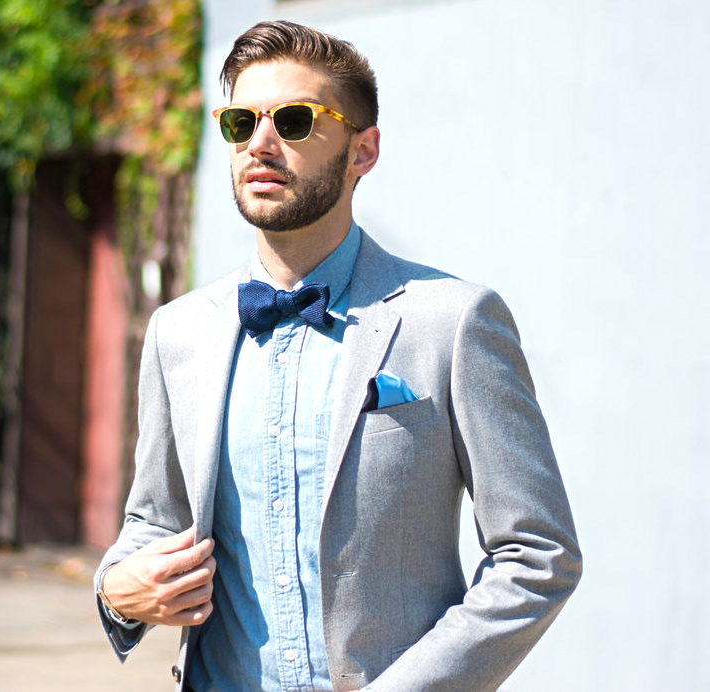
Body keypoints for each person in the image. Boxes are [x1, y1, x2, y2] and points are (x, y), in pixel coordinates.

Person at [94, 19, 582, 692]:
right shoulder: (180, 333)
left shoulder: (452, 321)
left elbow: (537, 554)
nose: (260, 143)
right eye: (240, 123)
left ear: (362, 150)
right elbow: (156, 522)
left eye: (294, 121)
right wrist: (117, 589)